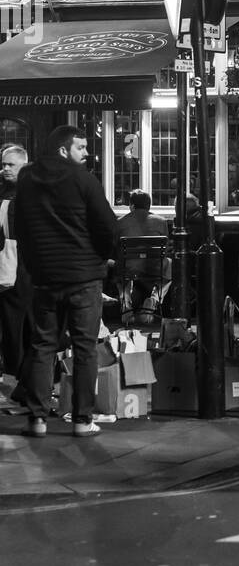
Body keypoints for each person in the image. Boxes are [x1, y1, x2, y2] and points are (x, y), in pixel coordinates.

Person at [14, 126, 118, 438]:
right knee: (85, 347)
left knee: (43, 345)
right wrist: (100, 256)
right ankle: (82, 420)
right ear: (63, 149)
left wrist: (35, 265)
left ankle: (37, 419)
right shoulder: (83, 179)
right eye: (81, 148)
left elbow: (21, 227)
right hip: (84, 277)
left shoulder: (27, 180)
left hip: (45, 277)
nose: (87, 153)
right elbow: (108, 226)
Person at [0, 145, 32, 393]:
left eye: (11, 164)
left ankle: (19, 375)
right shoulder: (8, 192)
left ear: (24, 164)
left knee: (18, 322)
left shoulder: (26, 193)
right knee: (14, 323)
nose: (5, 169)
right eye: (4, 164)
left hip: (21, 264)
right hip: (13, 262)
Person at [115, 191, 171, 313]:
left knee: (118, 266)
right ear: (149, 205)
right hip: (155, 268)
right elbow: (165, 249)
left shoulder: (120, 222)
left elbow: (116, 248)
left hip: (129, 269)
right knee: (170, 265)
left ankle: (126, 300)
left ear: (132, 205)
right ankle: (154, 299)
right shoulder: (161, 221)